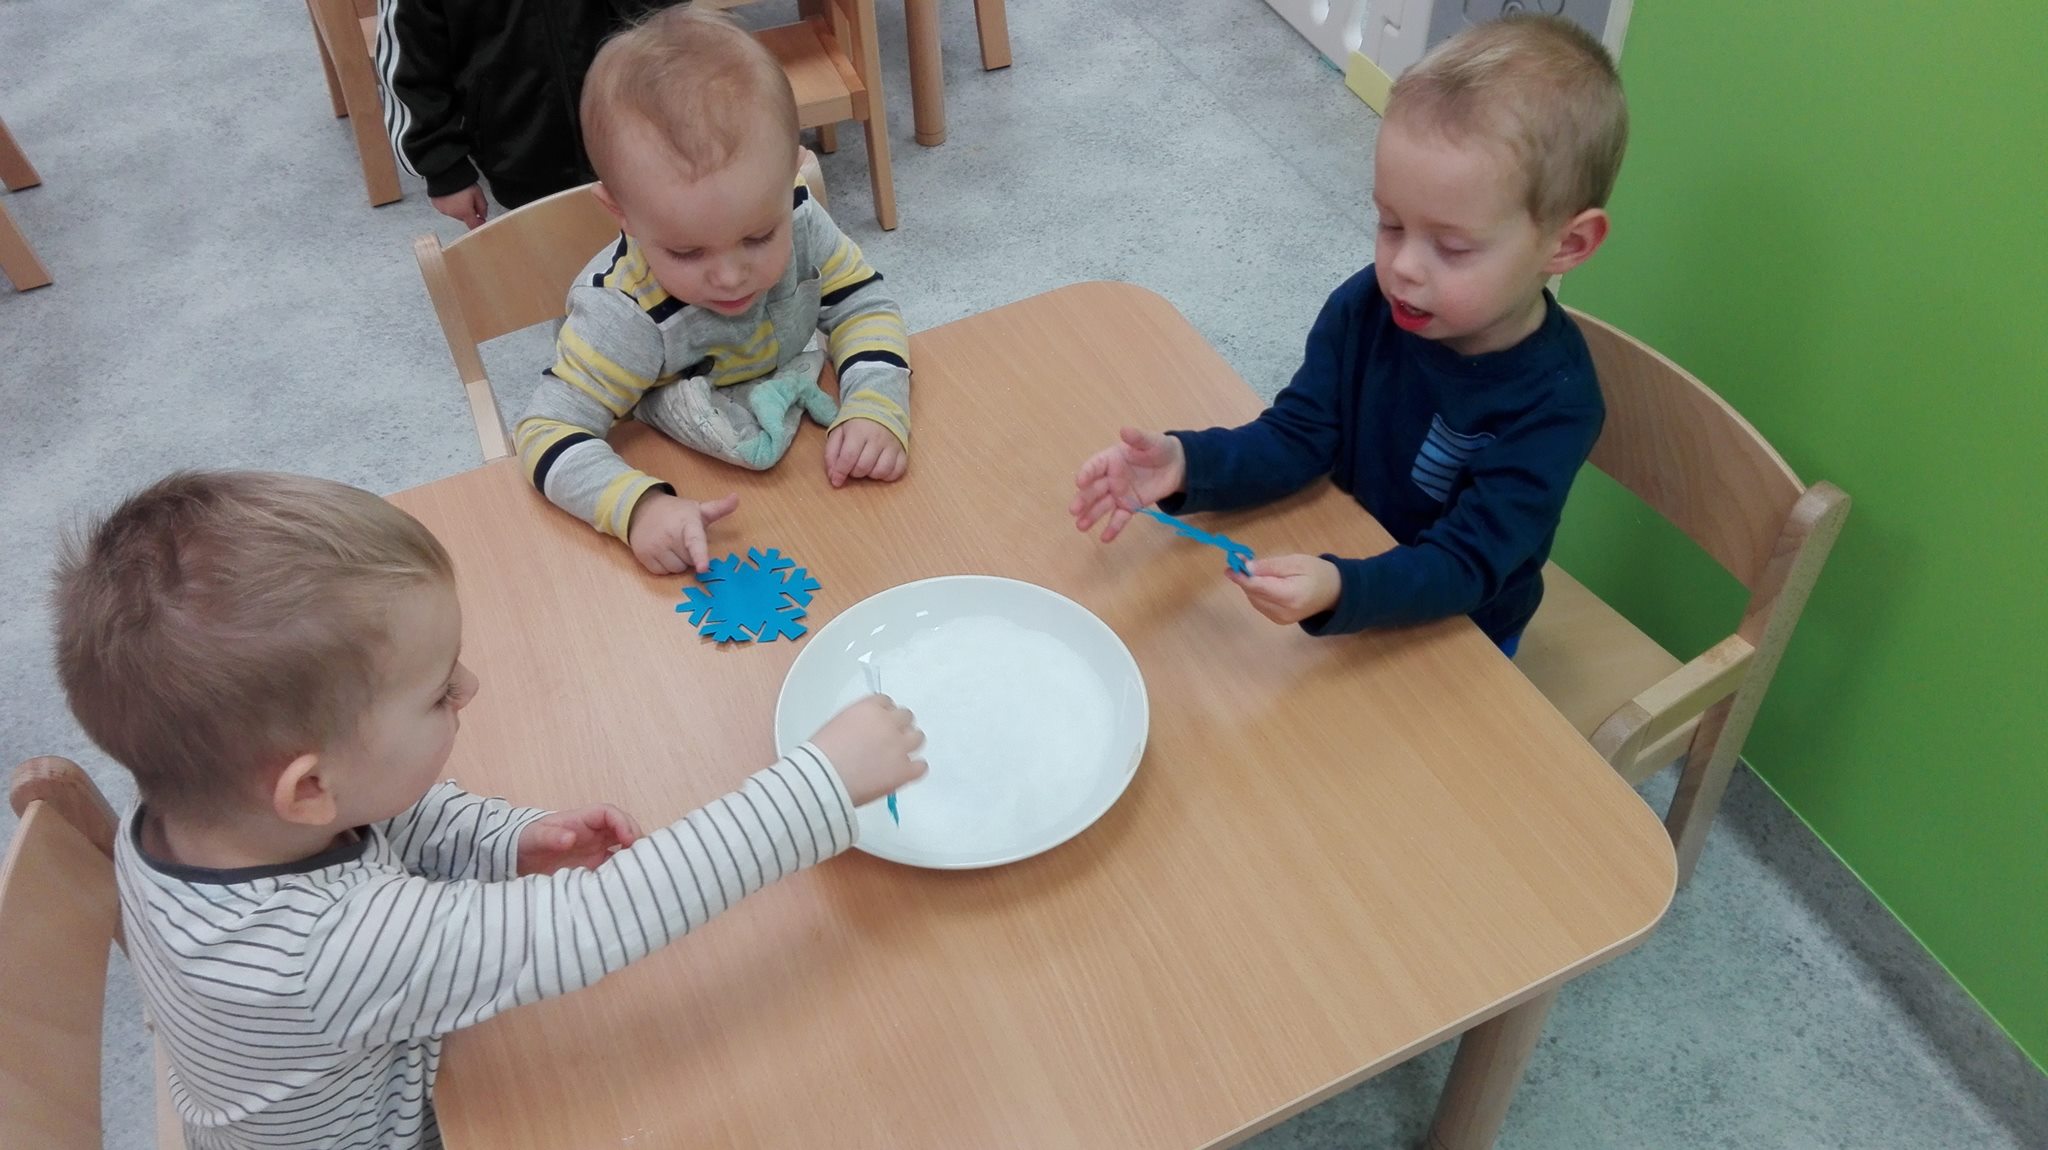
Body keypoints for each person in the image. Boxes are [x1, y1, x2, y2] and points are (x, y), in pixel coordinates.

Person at [52, 470, 926, 1149]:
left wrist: (504, 839)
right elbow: (593, 922)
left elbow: (384, 815)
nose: (469, 688)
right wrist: (816, 786)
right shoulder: (326, 950)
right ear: (308, 788)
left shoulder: (193, 807)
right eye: (438, 692)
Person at [1070, 15, 1628, 658]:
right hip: (1354, 559)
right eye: (1390, 224)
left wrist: (1342, 587)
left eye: (1452, 247)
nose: (1403, 267)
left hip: (1462, 632)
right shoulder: (1370, 305)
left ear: (1568, 244)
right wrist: (1186, 464)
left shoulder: (1556, 404)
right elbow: (1301, 434)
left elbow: (1468, 565)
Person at [515, 7, 912, 576]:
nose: (730, 277)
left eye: (758, 236)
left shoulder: (799, 217)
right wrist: (638, 507)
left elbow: (863, 303)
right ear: (620, 212)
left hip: (808, 481)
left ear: (793, 171)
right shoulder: (622, 316)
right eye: (687, 252)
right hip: (686, 469)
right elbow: (545, 431)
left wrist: (875, 404)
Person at [375, 0, 672, 227]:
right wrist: (443, 168)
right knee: (552, 261)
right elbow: (411, 61)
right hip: (520, 150)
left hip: (640, 132)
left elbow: (668, 19)